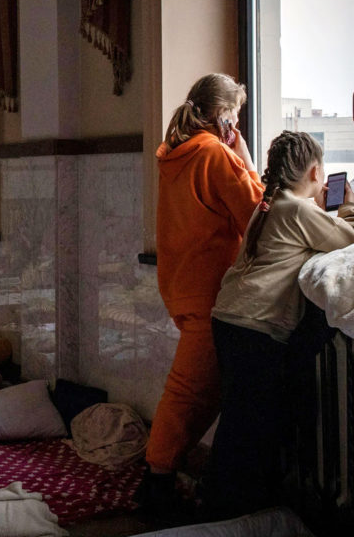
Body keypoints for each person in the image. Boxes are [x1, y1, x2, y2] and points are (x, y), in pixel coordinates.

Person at [202, 131, 354, 519]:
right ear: (316, 171)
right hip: (255, 326)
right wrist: (347, 208)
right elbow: (347, 239)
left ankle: (221, 507)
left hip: (230, 319)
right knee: (255, 427)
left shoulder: (269, 205)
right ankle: (240, 512)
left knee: (239, 418)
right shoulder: (298, 211)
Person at [136, 74, 265, 513]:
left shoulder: (176, 153)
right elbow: (258, 215)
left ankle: (165, 475)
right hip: (210, 292)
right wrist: (245, 159)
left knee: (204, 390)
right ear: (224, 117)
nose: (239, 127)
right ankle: (156, 483)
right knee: (188, 391)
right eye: (237, 116)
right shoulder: (213, 153)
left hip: (182, 286)